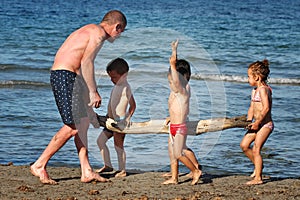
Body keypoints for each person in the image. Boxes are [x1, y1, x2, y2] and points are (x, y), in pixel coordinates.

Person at [30, 10, 127, 184]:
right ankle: (39, 164)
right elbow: (86, 62)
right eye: (121, 32)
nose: (119, 36)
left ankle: (86, 171)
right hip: (64, 75)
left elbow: (80, 67)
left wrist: (87, 102)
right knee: (73, 126)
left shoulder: (91, 29)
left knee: (82, 124)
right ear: (117, 27)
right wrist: (93, 91)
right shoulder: (98, 34)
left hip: (71, 76)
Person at [162, 39, 202, 185]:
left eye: (173, 81)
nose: (171, 84)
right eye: (170, 82)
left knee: (179, 153)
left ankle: (195, 171)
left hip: (180, 128)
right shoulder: (175, 92)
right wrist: (169, 116)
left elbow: (175, 71)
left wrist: (174, 54)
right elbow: (175, 108)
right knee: (173, 154)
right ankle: (174, 177)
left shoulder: (184, 89)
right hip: (172, 126)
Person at [97, 58, 136, 178]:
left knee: (118, 146)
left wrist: (127, 118)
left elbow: (133, 105)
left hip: (120, 122)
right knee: (100, 141)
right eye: (110, 77)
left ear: (124, 75)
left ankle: (122, 170)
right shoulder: (116, 86)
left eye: (114, 77)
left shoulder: (126, 87)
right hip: (111, 121)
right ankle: (107, 165)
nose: (111, 80)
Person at [240, 59, 274, 185]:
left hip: (265, 125)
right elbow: (251, 107)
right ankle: (258, 166)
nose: (247, 79)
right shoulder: (254, 91)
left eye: (249, 76)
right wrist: (249, 121)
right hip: (256, 124)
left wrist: (258, 122)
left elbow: (266, 108)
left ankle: (258, 178)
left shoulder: (264, 90)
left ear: (257, 77)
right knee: (244, 145)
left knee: (256, 148)